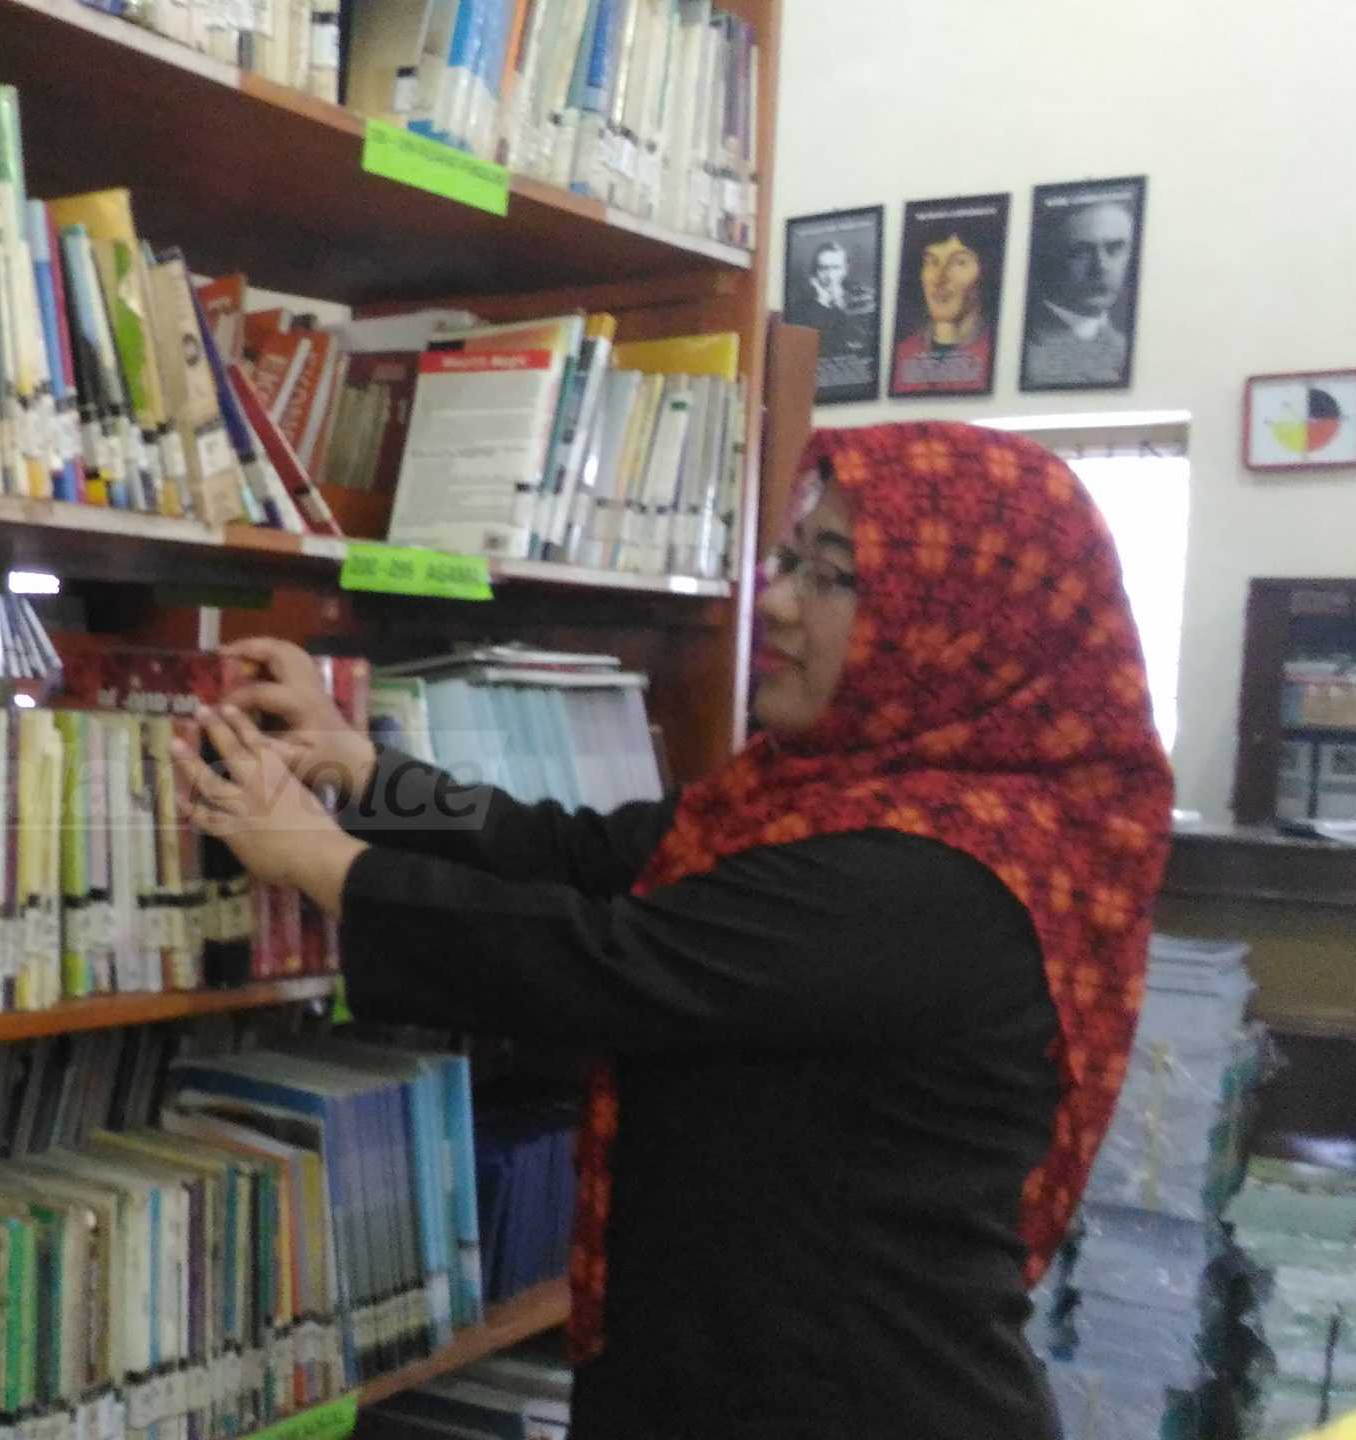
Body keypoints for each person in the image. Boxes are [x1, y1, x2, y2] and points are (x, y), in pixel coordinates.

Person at [172, 420, 1174, 1437]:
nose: (777, 601)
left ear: (955, 628)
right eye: (789, 559)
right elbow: (580, 853)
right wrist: (363, 771)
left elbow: (605, 964)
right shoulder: (812, 798)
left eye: (833, 577)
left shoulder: (939, 876)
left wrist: (321, 861)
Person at [1024, 198, 1137, 385]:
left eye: (1115, 248)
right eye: (1081, 252)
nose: (1101, 266)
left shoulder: (1125, 345)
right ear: (1049, 258)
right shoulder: (1027, 353)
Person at [893, 231, 994, 392]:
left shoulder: (996, 354)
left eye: (959, 263)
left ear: (984, 273)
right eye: (932, 261)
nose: (940, 279)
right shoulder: (903, 354)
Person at [788, 238, 876, 369]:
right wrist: (822, 302)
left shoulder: (863, 296)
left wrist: (839, 304)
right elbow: (810, 348)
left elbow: (862, 342)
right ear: (815, 272)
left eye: (836, 268)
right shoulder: (800, 307)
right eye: (823, 268)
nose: (830, 276)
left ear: (845, 269)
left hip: (858, 369)